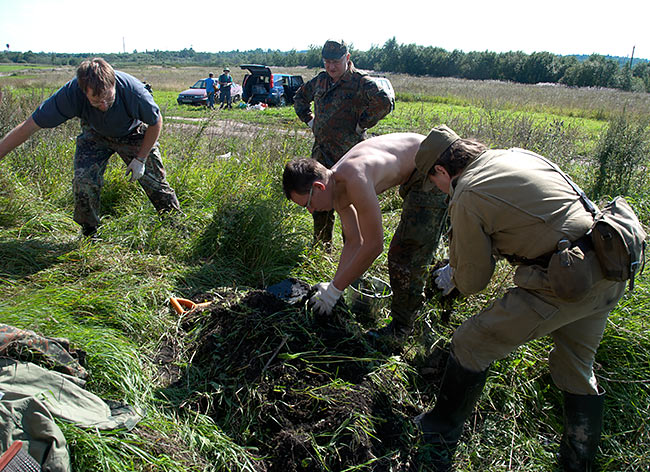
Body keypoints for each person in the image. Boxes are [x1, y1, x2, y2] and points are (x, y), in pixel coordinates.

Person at [413, 126, 627, 471]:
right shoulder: (513, 155)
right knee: (575, 366)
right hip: (605, 266)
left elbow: (474, 281)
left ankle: (439, 431)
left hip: (561, 282)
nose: (438, 190)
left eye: (434, 182)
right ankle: (578, 462)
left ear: (441, 171)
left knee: (470, 342)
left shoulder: (466, 191)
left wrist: (453, 274)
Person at [282, 132, 448, 336]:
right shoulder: (336, 188)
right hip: (414, 169)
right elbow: (353, 241)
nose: (311, 211)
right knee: (415, 244)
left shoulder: (354, 178)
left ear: (318, 187)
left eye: (308, 204)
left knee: (405, 253)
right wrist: (335, 285)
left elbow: (374, 245)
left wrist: (334, 291)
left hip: (432, 164)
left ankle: (402, 330)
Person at [0, 57, 180, 237]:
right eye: (96, 101)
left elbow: (155, 123)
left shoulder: (134, 92)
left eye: (108, 99)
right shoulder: (70, 95)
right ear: (83, 91)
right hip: (95, 134)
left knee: (155, 182)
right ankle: (89, 232)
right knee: (83, 181)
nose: (103, 105)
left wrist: (140, 159)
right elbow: (29, 126)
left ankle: (176, 227)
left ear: (113, 84)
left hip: (133, 133)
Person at [293, 39, 393, 248]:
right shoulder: (320, 81)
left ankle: (353, 251)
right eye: (327, 62)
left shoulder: (359, 81)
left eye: (336, 62)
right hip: (321, 154)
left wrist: (362, 124)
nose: (331, 67)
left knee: (351, 205)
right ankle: (321, 248)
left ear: (347, 58)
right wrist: (311, 121)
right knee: (319, 201)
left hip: (350, 156)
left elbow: (385, 102)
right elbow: (300, 98)